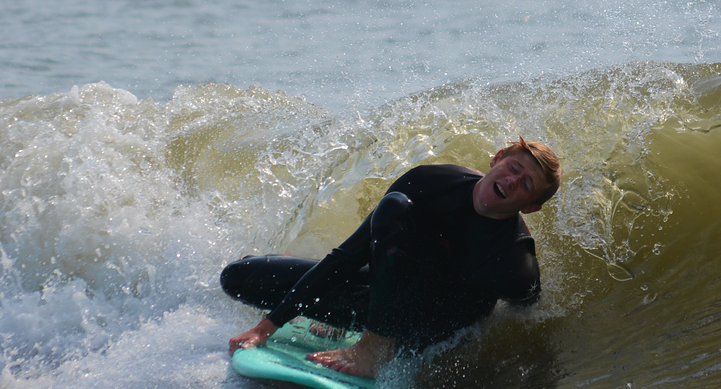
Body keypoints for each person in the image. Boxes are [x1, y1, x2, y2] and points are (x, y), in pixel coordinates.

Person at [223, 138, 561, 377]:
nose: (512, 180)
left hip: (425, 325)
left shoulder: (513, 260)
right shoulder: (430, 182)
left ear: (530, 206)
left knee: (394, 208)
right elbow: (349, 257)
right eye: (513, 167)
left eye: (526, 183)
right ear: (497, 157)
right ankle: (365, 336)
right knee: (238, 277)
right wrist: (267, 327)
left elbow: (525, 313)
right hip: (381, 298)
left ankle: (373, 348)